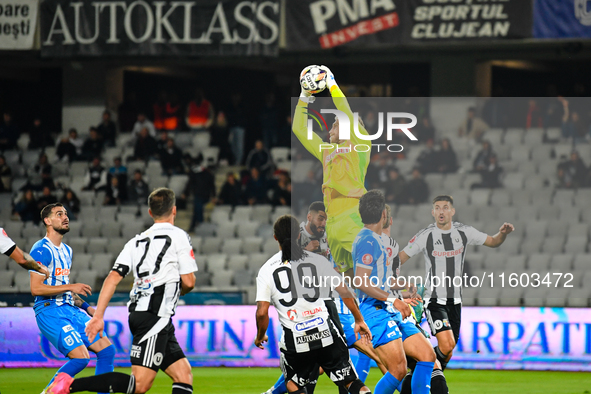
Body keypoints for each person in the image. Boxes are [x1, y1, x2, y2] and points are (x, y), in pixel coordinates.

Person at [47, 188, 197, 394]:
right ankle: (68, 385)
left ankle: (67, 384)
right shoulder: (178, 236)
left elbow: (112, 278)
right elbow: (189, 282)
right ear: (174, 210)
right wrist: (174, 290)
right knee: (140, 384)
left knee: (183, 375)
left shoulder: (135, 242)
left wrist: (98, 315)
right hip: (155, 316)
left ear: (150, 213)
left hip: (144, 314)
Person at [398, 195, 514, 388]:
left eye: (445, 208)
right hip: (434, 299)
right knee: (447, 343)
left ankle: (416, 377)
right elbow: (400, 259)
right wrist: (397, 282)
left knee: (448, 349)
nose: (441, 211)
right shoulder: (425, 235)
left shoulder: (464, 232)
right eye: (437, 208)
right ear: (432, 212)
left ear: (452, 211)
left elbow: (493, 242)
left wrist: (503, 233)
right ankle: (423, 373)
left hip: (455, 301)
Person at [254, 215, 373, 394]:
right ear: (299, 235)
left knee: (293, 385)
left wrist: (260, 335)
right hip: (326, 332)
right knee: (351, 381)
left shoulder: (266, 269)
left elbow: (262, 312)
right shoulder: (317, 261)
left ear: (275, 237)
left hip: (296, 339)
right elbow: (344, 291)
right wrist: (359, 319)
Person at [292, 65, 370, 278]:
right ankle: (351, 313)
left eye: (335, 125)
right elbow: (299, 129)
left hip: (353, 215)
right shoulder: (326, 151)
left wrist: (332, 84)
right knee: (345, 279)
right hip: (331, 221)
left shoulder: (361, 145)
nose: (330, 130)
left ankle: (396, 305)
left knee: (370, 273)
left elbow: (345, 111)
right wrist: (304, 96)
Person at [353, 190, 434, 394]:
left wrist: (401, 288)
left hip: (387, 307)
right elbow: (361, 281)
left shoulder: (375, 239)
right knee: (397, 369)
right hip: (375, 310)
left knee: (427, 354)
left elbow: (377, 280)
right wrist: (393, 299)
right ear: (383, 214)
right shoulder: (367, 241)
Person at [31, 203, 115, 394]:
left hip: (71, 309)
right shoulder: (41, 249)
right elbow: (36, 288)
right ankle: (49, 392)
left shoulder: (67, 250)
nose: (65, 217)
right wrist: (71, 286)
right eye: (59, 214)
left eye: (66, 214)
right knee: (81, 358)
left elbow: (62, 286)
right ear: (47, 220)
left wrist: (87, 307)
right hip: (50, 310)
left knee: (107, 351)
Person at [184, 161, 215, 231]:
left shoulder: (209, 175)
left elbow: (212, 186)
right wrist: (186, 193)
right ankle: (195, 226)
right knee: (197, 209)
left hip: (205, 195)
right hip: (197, 194)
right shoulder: (195, 174)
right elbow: (190, 183)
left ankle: (200, 224)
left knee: (198, 208)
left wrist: (213, 196)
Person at [226, 93, 246, 165]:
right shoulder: (230, 106)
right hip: (232, 128)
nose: (235, 98)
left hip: (240, 128)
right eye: (234, 96)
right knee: (232, 145)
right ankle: (235, 160)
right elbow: (228, 116)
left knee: (239, 146)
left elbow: (244, 116)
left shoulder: (242, 105)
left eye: (237, 96)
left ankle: (239, 162)